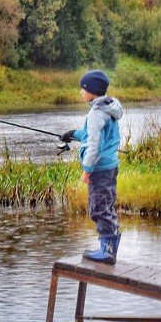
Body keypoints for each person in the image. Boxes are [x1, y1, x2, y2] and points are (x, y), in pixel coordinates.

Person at [60, 70, 124, 264]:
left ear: (92, 91)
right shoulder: (107, 108)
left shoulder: (96, 113)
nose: (81, 92)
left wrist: (87, 170)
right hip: (108, 167)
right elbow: (92, 135)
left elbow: (95, 146)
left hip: (99, 169)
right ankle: (107, 247)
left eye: (83, 88)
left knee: (99, 208)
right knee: (105, 206)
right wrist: (73, 134)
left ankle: (107, 252)